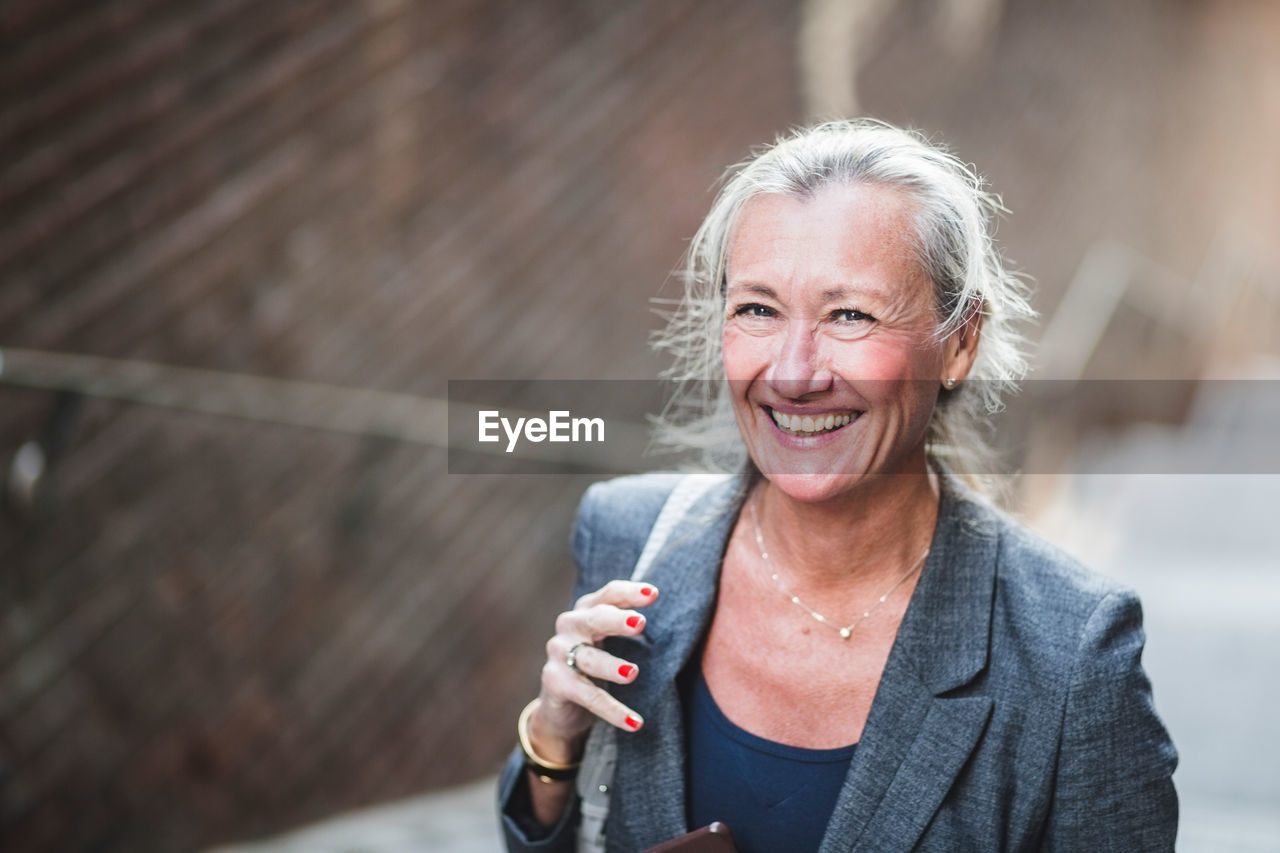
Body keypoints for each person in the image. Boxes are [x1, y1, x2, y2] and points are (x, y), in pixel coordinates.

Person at [498, 120, 1178, 852]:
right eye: (757, 308)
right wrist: (551, 744)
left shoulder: (1070, 653)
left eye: (849, 314)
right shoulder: (629, 540)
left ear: (960, 342)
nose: (793, 372)